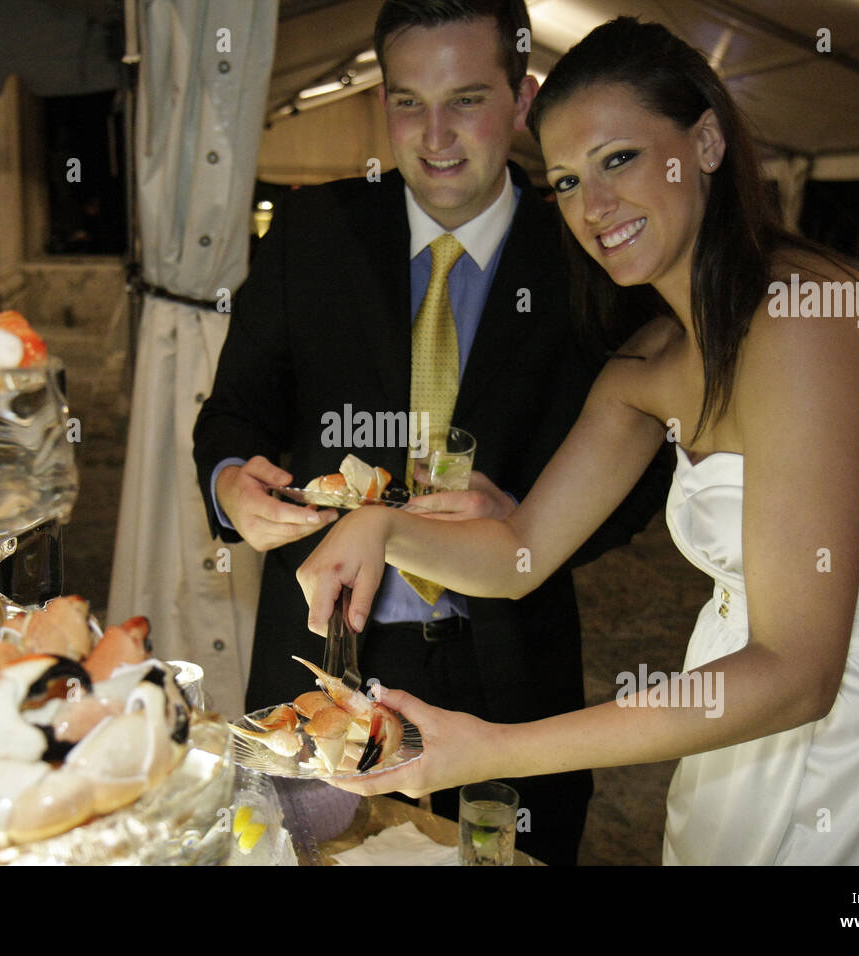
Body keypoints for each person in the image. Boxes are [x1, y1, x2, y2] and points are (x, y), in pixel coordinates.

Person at [297, 17, 859, 864]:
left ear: (706, 142)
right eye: (566, 182)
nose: (593, 208)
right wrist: (380, 529)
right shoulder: (648, 363)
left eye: (618, 160)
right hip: (728, 717)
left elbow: (799, 669)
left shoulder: (808, 322)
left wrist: (493, 747)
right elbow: (521, 553)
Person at [193, 0, 667, 866]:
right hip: (324, 660)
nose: (436, 135)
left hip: (512, 671)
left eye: (467, 99)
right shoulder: (312, 231)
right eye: (409, 101)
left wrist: (529, 518)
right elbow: (233, 413)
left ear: (523, 98)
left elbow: (644, 474)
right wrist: (232, 485)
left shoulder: (594, 250)